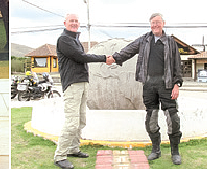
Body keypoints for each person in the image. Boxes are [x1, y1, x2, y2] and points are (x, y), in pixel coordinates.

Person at [107, 13, 183, 165]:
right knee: (151, 120)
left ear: (163, 23)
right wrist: (114, 58)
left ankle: (175, 152)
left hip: (167, 85)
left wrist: (177, 84)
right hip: (148, 85)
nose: (155, 25)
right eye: (153, 23)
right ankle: (156, 149)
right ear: (150, 25)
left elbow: (177, 64)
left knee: (173, 118)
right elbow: (128, 50)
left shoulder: (170, 42)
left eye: (158, 22)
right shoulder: (144, 40)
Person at [53, 14, 112, 169]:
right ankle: (60, 156)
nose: (74, 23)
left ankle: (73, 148)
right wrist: (104, 58)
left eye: (76, 21)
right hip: (72, 85)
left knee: (81, 120)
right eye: (71, 21)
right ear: (64, 23)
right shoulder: (64, 40)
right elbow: (81, 57)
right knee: (72, 123)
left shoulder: (74, 39)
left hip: (82, 83)